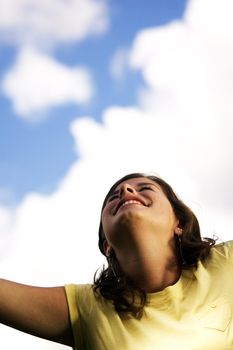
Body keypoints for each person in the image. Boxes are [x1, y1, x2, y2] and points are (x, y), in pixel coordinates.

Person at [1, 172, 233, 350]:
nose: (127, 190)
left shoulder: (226, 262)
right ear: (107, 245)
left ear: (179, 223)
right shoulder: (86, 309)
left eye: (145, 188)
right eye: (114, 197)